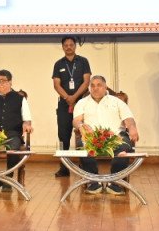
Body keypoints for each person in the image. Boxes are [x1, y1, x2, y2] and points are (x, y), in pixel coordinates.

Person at [71, 75, 139, 195]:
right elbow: (76, 121)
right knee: (82, 147)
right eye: (92, 86)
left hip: (116, 136)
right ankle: (93, 182)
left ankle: (115, 183)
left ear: (105, 87)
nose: (95, 88)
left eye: (99, 85)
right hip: (92, 137)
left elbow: (129, 118)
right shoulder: (82, 102)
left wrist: (132, 128)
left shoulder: (117, 101)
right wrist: (81, 126)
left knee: (124, 147)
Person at [50, 35, 91, 177]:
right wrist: (68, 98)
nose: (68, 47)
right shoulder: (58, 64)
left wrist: (74, 98)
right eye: (66, 45)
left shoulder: (83, 61)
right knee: (63, 135)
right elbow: (56, 84)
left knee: (84, 133)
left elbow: (86, 82)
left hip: (82, 102)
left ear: (75, 46)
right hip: (64, 104)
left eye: (71, 45)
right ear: (62, 47)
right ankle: (64, 167)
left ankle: (85, 166)